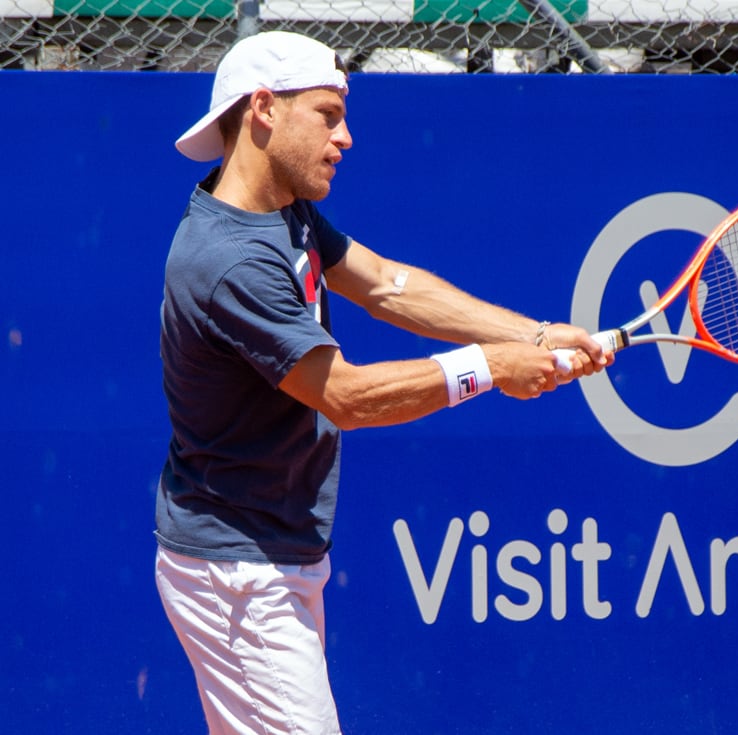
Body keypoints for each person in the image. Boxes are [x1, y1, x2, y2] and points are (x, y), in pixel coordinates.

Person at [154, 30, 608, 735]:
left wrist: (534, 334)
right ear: (265, 110)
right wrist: (490, 367)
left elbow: (389, 287)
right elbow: (347, 396)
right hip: (239, 573)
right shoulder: (229, 260)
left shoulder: (279, 211)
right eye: (328, 115)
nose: (347, 138)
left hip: (271, 553)